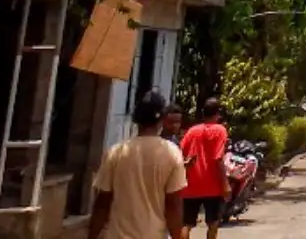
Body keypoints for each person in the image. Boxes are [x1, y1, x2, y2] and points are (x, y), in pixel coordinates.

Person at [89, 90, 186, 239]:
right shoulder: (172, 154)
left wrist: (92, 236)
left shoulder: (116, 152)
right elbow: (173, 205)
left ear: (136, 119)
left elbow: (102, 203)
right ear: (161, 121)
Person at [178, 97, 231, 239]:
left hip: (191, 185)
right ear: (218, 114)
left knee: (186, 224)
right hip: (212, 186)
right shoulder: (220, 130)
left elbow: (180, 153)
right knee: (213, 224)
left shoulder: (192, 131)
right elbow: (218, 158)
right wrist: (225, 184)